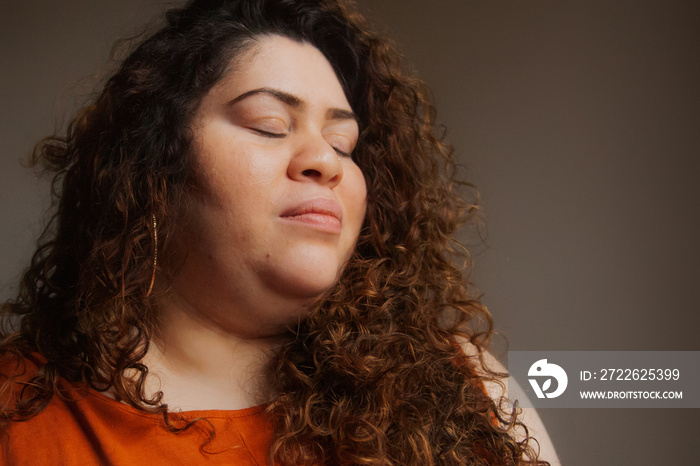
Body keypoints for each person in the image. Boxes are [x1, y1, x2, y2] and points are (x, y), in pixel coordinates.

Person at [0, 0, 557, 464]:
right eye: (271, 126)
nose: (326, 161)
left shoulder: (466, 385)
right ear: (153, 168)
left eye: (344, 145)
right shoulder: (17, 414)